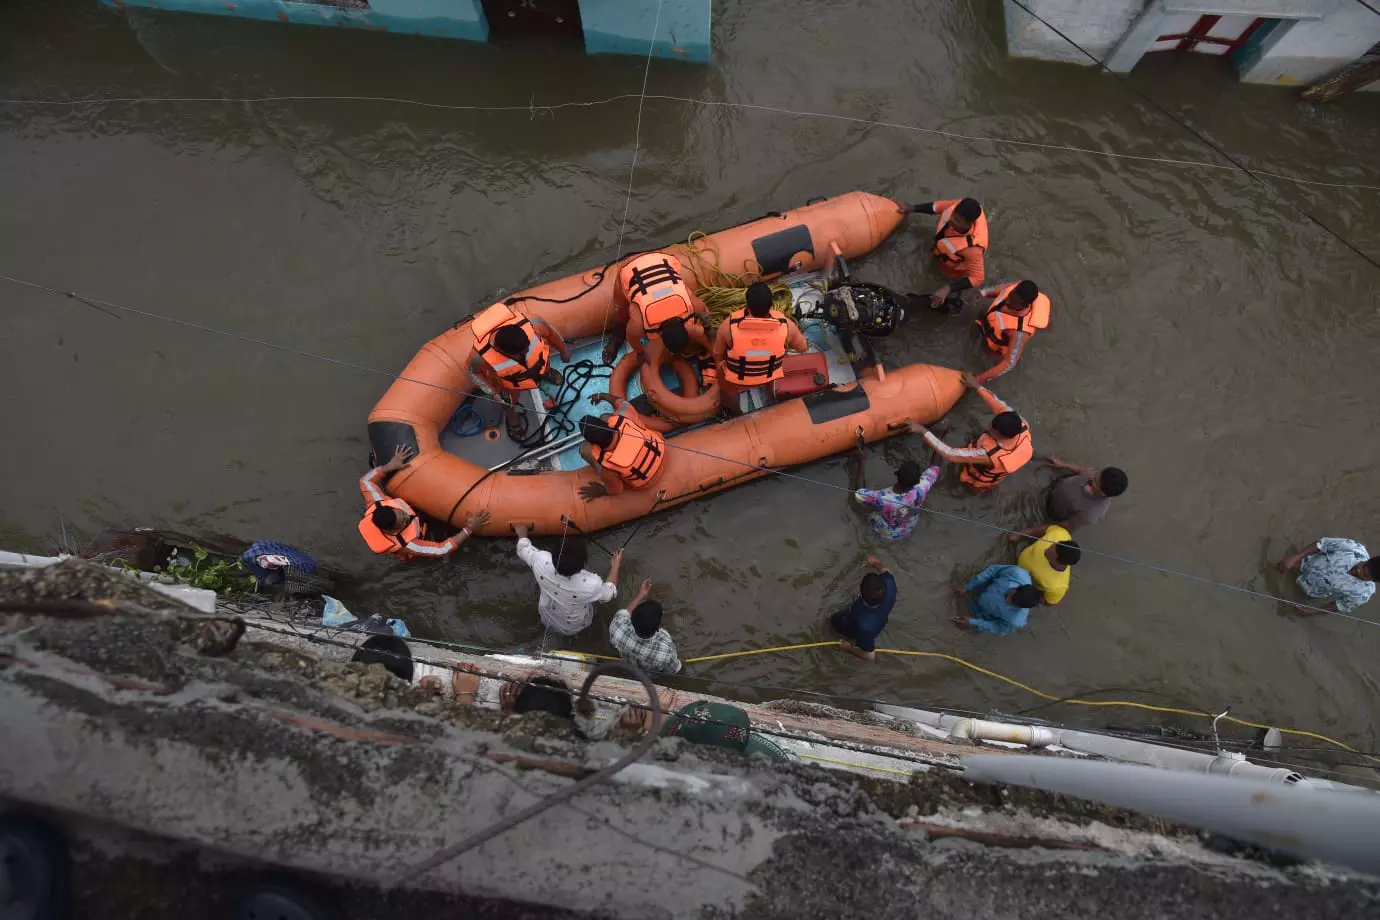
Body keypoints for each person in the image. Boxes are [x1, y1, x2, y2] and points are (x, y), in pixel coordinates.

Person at [358, 445, 490, 560]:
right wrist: (469, 529)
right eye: (402, 520)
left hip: (414, 509)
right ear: (393, 530)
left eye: (400, 513)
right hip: (423, 531)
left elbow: (365, 481)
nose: (405, 515)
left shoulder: (377, 502)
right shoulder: (408, 544)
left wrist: (389, 467)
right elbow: (441, 550)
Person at [909, 374, 1032, 492]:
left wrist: (922, 431)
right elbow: (997, 403)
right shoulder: (1020, 424)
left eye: (992, 430)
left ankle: (973, 489)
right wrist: (976, 386)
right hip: (997, 464)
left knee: (970, 487)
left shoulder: (988, 455)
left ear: (1002, 436)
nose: (988, 427)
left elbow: (951, 454)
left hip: (978, 478)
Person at [466, 302, 572, 421]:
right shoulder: (480, 356)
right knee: (509, 402)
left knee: (544, 367)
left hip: (540, 364)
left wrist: (563, 350)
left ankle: (546, 374)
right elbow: (473, 372)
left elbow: (551, 332)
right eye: (520, 353)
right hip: (512, 384)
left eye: (526, 349)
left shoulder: (533, 323)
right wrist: (493, 393)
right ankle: (511, 416)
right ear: (500, 350)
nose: (525, 354)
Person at [712, 282, 809, 411]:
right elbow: (802, 348)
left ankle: (731, 409)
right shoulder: (787, 326)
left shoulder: (728, 326)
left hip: (736, 380)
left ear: (748, 304)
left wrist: (720, 366)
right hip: (768, 377)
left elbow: (718, 353)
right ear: (771, 305)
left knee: (724, 377)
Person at [603, 252, 714, 363]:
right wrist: (640, 353)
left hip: (660, 259)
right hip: (630, 266)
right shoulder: (639, 324)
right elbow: (631, 337)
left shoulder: (693, 306)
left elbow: (704, 311)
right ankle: (616, 340)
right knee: (622, 311)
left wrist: (708, 328)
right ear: (660, 334)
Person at [514, 524, 622, 635]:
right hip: (574, 627)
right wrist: (616, 566)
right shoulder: (592, 584)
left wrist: (522, 533)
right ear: (582, 563)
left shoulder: (541, 560)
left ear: (553, 554)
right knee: (598, 605)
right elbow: (610, 593)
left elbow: (524, 549)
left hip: (547, 617)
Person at [576, 394, 667, 501]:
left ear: (594, 444)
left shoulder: (607, 465)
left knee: (584, 449)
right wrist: (602, 396)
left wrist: (602, 490)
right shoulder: (625, 417)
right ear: (607, 425)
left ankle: (598, 467)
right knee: (605, 416)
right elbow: (622, 402)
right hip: (663, 453)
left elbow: (617, 490)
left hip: (648, 481)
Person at [907, 197, 987, 314]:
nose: (951, 220)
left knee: (941, 291)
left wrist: (948, 288)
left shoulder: (973, 250)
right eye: (953, 216)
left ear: (968, 224)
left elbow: (978, 278)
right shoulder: (957, 206)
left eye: (957, 220)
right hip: (942, 250)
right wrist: (912, 208)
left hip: (953, 270)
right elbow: (936, 207)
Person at [1013, 459, 1128, 538]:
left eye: (1094, 482)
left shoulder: (1090, 514)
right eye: (1096, 474)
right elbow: (1084, 471)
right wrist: (1063, 465)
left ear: (1103, 494)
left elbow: (1060, 527)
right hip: (1054, 486)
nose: (1091, 477)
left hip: (1051, 510)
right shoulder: (1099, 475)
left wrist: (1026, 532)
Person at [852, 442, 942, 541]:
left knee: (865, 516)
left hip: (886, 531)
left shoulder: (882, 498)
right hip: (908, 527)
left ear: (896, 474)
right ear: (917, 481)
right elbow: (935, 467)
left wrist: (861, 462)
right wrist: (939, 439)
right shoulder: (921, 488)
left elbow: (858, 494)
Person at [973, 280, 1050, 383]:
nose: (1007, 301)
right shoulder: (1012, 290)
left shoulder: (1019, 332)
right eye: (1010, 295)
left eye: (1013, 302)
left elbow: (1010, 362)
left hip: (994, 349)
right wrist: (981, 293)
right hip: (988, 324)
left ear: (1024, 305)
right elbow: (1000, 289)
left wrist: (978, 379)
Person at [1276, 538, 1378, 616]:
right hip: (1302, 562)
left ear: (1372, 580)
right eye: (1362, 566)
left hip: (1308, 589)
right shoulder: (1353, 548)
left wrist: (1313, 612)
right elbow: (1322, 544)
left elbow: (1340, 605)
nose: (1358, 571)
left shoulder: (1363, 594)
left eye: (1364, 575)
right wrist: (1296, 557)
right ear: (1368, 560)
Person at [608, 577, 682, 676]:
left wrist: (641, 595)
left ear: (632, 618)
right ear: (658, 628)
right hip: (647, 677)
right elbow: (674, 669)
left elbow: (624, 613)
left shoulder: (617, 628)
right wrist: (682, 659)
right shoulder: (666, 651)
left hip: (628, 663)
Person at [829, 554, 897, 662]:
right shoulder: (890, 583)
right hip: (879, 621)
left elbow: (870, 656)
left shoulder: (864, 626)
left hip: (854, 629)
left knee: (831, 622)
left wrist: (848, 648)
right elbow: (885, 570)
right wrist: (875, 563)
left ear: (860, 593)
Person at [955, 565, 1042, 636]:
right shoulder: (1016, 573)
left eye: (1012, 603)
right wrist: (967, 587)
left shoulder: (1015, 621)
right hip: (980, 589)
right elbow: (993, 571)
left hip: (980, 613)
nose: (1007, 600)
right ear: (1018, 587)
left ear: (1021, 607)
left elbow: (997, 628)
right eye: (1010, 596)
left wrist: (974, 622)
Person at [1016, 525, 1081, 606]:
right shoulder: (1061, 534)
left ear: (1058, 561)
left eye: (1049, 552)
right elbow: (1043, 529)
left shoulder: (1057, 587)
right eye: (1052, 546)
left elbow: (1049, 602)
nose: (1046, 549)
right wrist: (1020, 534)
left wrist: (1027, 593)